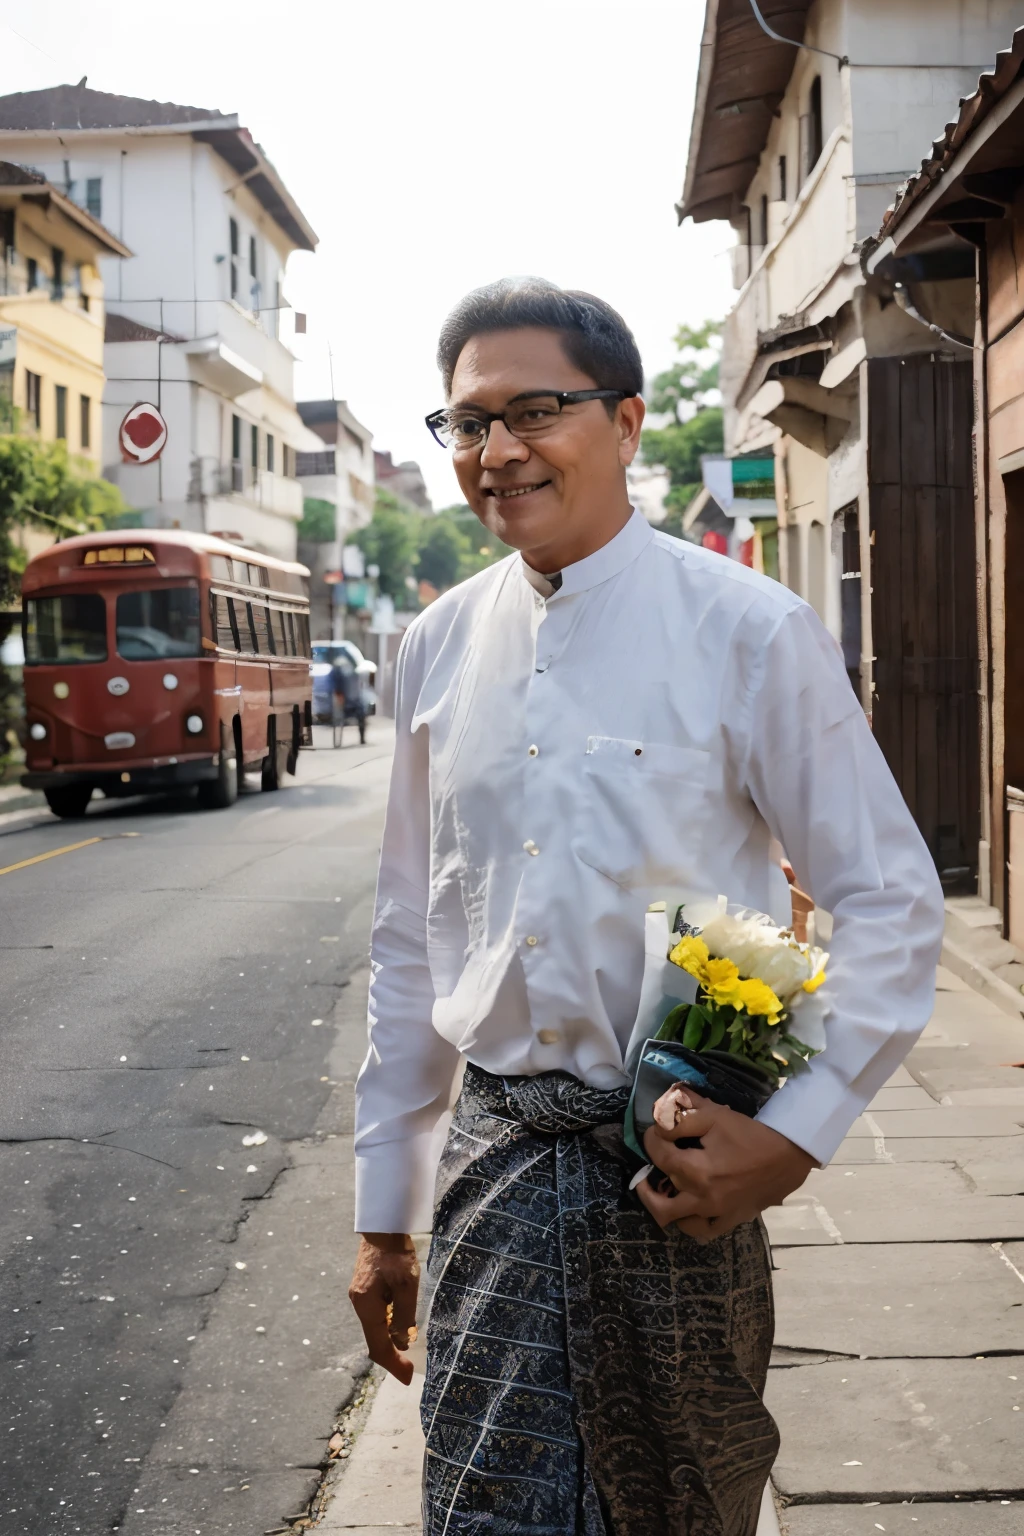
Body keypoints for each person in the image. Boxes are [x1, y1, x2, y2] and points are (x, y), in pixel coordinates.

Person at [348, 277, 945, 1535]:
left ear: (624, 423)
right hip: (494, 1177)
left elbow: (886, 901)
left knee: (679, 1502)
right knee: (484, 1507)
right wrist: (382, 1218)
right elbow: (412, 936)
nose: (497, 451)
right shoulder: (437, 646)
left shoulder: (747, 629)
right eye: (465, 423)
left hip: (674, 1169)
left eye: (537, 411)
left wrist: (797, 1133)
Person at [330, 653, 367, 745]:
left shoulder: (350, 674)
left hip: (350, 702)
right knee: (360, 715)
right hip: (348, 702)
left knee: (361, 715)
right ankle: (362, 738)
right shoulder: (342, 674)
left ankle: (362, 738)